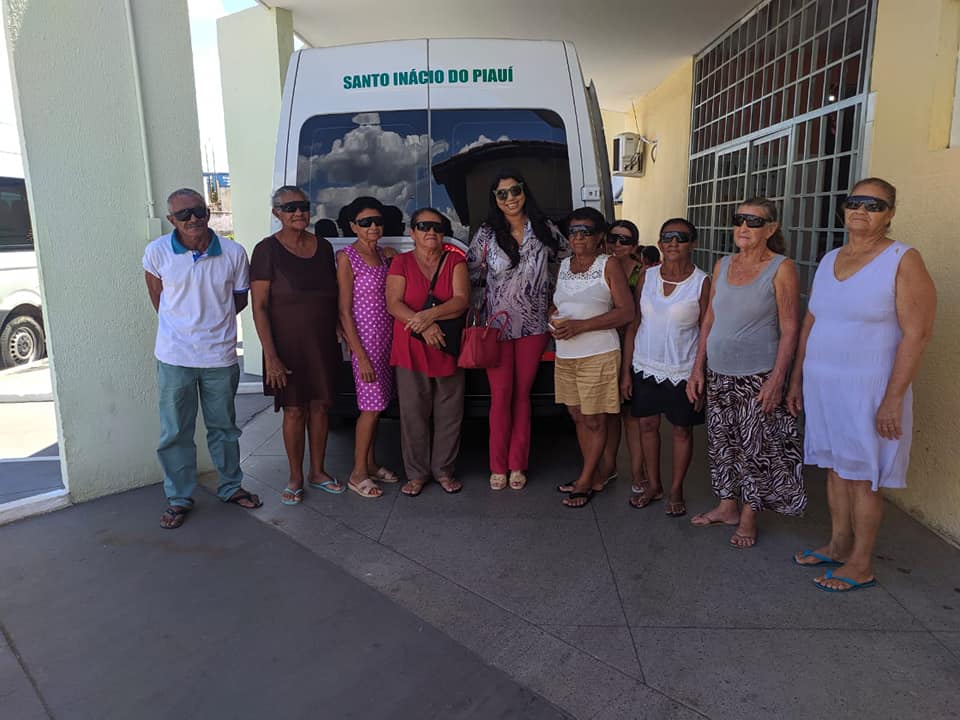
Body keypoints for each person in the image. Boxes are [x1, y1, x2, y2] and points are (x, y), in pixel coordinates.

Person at [787, 178, 936, 592]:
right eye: (854, 202)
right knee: (836, 469)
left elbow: (917, 334)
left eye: (874, 205)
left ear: (890, 214)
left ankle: (861, 563)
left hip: (869, 391)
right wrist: (797, 377)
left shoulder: (903, 260)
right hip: (824, 385)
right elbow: (812, 320)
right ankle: (837, 544)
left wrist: (893, 399)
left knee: (864, 476)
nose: (861, 210)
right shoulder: (830, 258)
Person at [687, 197, 804, 548]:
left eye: (754, 222)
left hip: (757, 375)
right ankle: (727, 506)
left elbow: (790, 327)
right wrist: (698, 367)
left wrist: (778, 379)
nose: (744, 227)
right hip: (720, 372)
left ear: (771, 228)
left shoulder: (781, 268)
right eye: (739, 220)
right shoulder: (723, 265)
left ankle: (750, 515)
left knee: (757, 449)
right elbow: (709, 319)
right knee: (722, 444)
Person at [143, 188, 260, 529]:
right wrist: (184, 328)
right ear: (171, 220)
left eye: (199, 211)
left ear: (208, 212)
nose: (193, 219)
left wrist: (212, 323)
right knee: (176, 431)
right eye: (184, 215)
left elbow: (239, 300)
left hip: (220, 356)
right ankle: (179, 497)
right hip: (174, 356)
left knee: (224, 428)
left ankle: (231, 487)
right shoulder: (157, 252)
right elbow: (157, 298)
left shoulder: (234, 252)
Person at [466, 169, 569, 491]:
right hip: (495, 327)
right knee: (501, 397)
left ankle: (517, 465)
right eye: (502, 194)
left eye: (515, 191)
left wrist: (557, 300)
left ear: (525, 192)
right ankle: (497, 465)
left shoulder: (544, 229)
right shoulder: (486, 233)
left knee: (522, 396)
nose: (510, 198)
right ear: (494, 200)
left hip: (534, 324)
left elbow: (567, 261)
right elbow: (468, 271)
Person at [250, 186, 343, 505]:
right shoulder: (266, 250)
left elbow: (333, 295)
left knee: (320, 406)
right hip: (286, 346)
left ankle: (318, 472)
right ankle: (295, 477)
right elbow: (259, 307)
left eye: (303, 206)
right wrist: (271, 357)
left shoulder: (324, 247)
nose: (298, 212)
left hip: (322, 343)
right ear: (276, 213)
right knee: (293, 410)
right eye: (289, 208)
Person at [621, 218, 710, 516]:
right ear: (659, 244)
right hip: (645, 366)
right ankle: (654, 485)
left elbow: (705, 332)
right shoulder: (647, 276)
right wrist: (626, 372)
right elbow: (634, 324)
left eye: (681, 237)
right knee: (647, 425)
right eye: (667, 237)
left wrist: (699, 374)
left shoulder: (702, 282)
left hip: (683, 371)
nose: (673, 242)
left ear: (693, 243)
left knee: (682, 431)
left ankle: (676, 489)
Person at [552, 207, 634, 508]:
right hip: (566, 355)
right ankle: (597, 470)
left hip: (598, 353)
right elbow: (559, 303)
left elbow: (627, 312)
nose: (577, 237)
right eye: (572, 231)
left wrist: (581, 326)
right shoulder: (563, 266)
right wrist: (554, 319)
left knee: (595, 419)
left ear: (599, 236)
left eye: (585, 231)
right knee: (577, 416)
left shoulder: (607, 265)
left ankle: (586, 479)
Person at [387, 208, 470, 497]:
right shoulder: (401, 262)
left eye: (436, 226)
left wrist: (429, 316)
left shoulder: (455, 261)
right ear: (412, 232)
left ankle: (444, 471)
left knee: (449, 413)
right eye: (423, 226)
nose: (430, 231)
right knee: (413, 414)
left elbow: (461, 301)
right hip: (411, 346)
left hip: (446, 346)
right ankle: (417, 474)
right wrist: (423, 327)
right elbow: (394, 304)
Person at [336, 197, 399, 499]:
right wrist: (359, 354)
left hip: (386, 341)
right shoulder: (348, 257)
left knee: (378, 406)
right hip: (366, 345)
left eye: (377, 221)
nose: (373, 226)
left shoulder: (385, 256)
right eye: (365, 222)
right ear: (352, 226)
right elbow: (344, 311)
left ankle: (371, 464)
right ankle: (357, 473)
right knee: (370, 410)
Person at [600, 220, 646, 493]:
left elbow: (635, 321)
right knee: (608, 413)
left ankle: (638, 472)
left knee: (631, 415)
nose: (617, 244)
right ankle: (608, 467)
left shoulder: (640, 274)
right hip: (602, 346)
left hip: (630, 347)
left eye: (625, 240)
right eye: (613, 238)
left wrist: (626, 367)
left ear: (635, 246)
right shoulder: (598, 266)